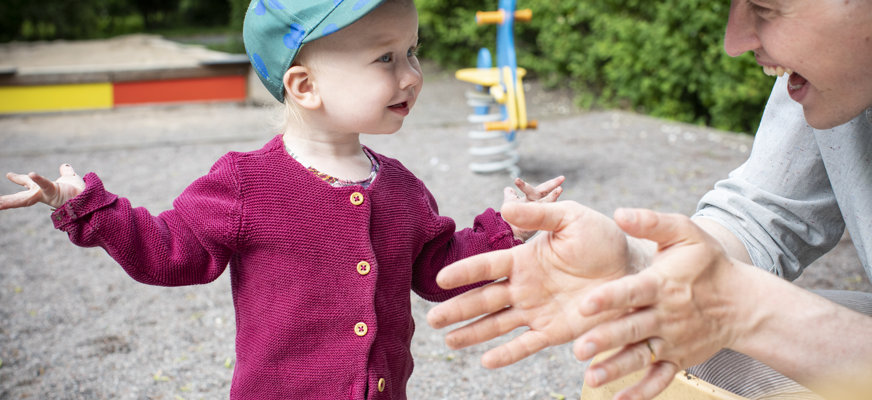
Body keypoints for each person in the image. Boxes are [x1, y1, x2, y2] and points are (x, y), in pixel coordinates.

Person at [0, 0, 565, 398]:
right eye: (385, 58)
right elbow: (172, 251)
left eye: (412, 52)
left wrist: (504, 233)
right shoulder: (246, 183)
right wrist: (87, 206)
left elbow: (436, 267)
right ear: (305, 86)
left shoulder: (401, 188)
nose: (412, 75)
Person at [426, 0, 872, 399]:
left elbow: (733, 300)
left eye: (766, 7)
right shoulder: (827, 82)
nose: (734, 42)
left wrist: (741, 307)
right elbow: (763, 215)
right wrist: (638, 265)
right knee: (666, 343)